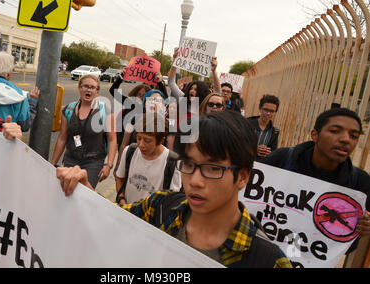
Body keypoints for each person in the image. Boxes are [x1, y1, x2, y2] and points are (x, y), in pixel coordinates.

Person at [57, 111, 293, 268]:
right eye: (189, 165)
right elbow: (114, 220)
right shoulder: (161, 207)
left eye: (212, 168)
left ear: (242, 176)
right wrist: (84, 187)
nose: (195, 181)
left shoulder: (267, 260)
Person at [261, 107, 370, 253]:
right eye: (335, 131)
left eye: (353, 136)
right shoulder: (282, 159)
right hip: (263, 249)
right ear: (315, 135)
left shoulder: (360, 182)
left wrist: (364, 227)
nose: (345, 139)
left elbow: (347, 244)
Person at [51, 74, 117, 188]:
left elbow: (112, 140)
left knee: (84, 195)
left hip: (93, 162)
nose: (88, 89)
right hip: (71, 159)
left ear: (97, 91)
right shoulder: (68, 110)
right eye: (85, 86)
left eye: (92, 87)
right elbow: (62, 138)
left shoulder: (105, 111)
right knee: (66, 190)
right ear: (79, 88)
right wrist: (52, 164)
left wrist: (108, 165)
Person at [115, 112, 181, 205]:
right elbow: (119, 179)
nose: (141, 145)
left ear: (161, 140)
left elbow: (172, 199)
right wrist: (121, 199)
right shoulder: (129, 152)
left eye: (147, 140)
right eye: (138, 138)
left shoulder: (172, 163)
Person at [247, 94, 280, 161]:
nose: (268, 113)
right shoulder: (246, 123)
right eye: (265, 109)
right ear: (260, 108)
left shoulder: (275, 131)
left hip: (261, 166)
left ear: (275, 112)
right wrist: (254, 149)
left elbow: (273, 152)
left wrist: (268, 153)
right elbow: (237, 144)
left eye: (272, 111)